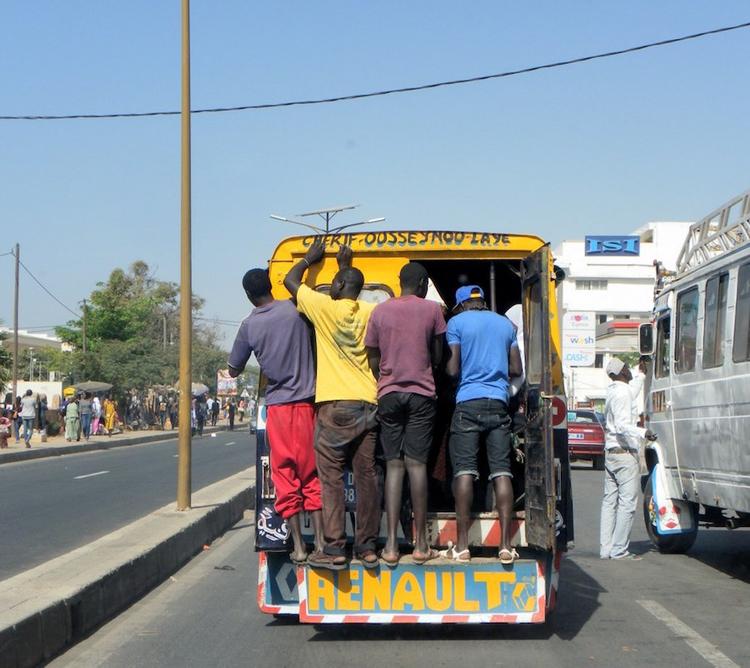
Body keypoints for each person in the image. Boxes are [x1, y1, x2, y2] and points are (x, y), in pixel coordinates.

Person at [283, 240, 380, 571]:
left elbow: (290, 281)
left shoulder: (323, 307)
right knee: (367, 477)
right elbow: (349, 290)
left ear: (336, 286)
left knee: (331, 478)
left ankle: (336, 547)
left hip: (334, 406)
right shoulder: (370, 312)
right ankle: (367, 547)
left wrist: (311, 259)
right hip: (368, 403)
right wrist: (345, 268)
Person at [228, 266, 324, 564]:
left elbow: (234, 369)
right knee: (312, 475)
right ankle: (322, 545)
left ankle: (299, 547)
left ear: (248, 295)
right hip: (307, 406)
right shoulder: (295, 309)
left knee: (285, 477)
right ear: (271, 285)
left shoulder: (249, 326)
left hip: (278, 410)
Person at [365, 261, 446, 565]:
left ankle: (389, 546)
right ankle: (421, 545)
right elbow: (438, 355)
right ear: (423, 283)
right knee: (417, 466)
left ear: (400, 282)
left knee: (394, 467)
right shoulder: (432, 310)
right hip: (421, 395)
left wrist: (386, 378)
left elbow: (373, 357)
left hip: (388, 394)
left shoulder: (379, 311)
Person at [444, 285, 523, 564]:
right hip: (498, 404)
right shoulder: (505, 324)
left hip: (468, 404)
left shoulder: (456, 323)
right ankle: (505, 546)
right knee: (501, 472)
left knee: (465, 471)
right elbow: (517, 369)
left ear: (462, 304)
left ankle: (462, 547)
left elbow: (452, 369)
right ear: (482, 302)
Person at [599, 357, 656, 560]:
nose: (629, 369)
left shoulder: (615, 391)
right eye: (626, 367)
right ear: (622, 372)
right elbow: (622, 426)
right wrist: (644, 432)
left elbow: (632, 392)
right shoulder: (622, 392)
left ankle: (606, 549)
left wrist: (641, 374)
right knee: (627, 504)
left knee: (609, 502)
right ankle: (619, 550)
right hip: (624, 454)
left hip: (611, 452)